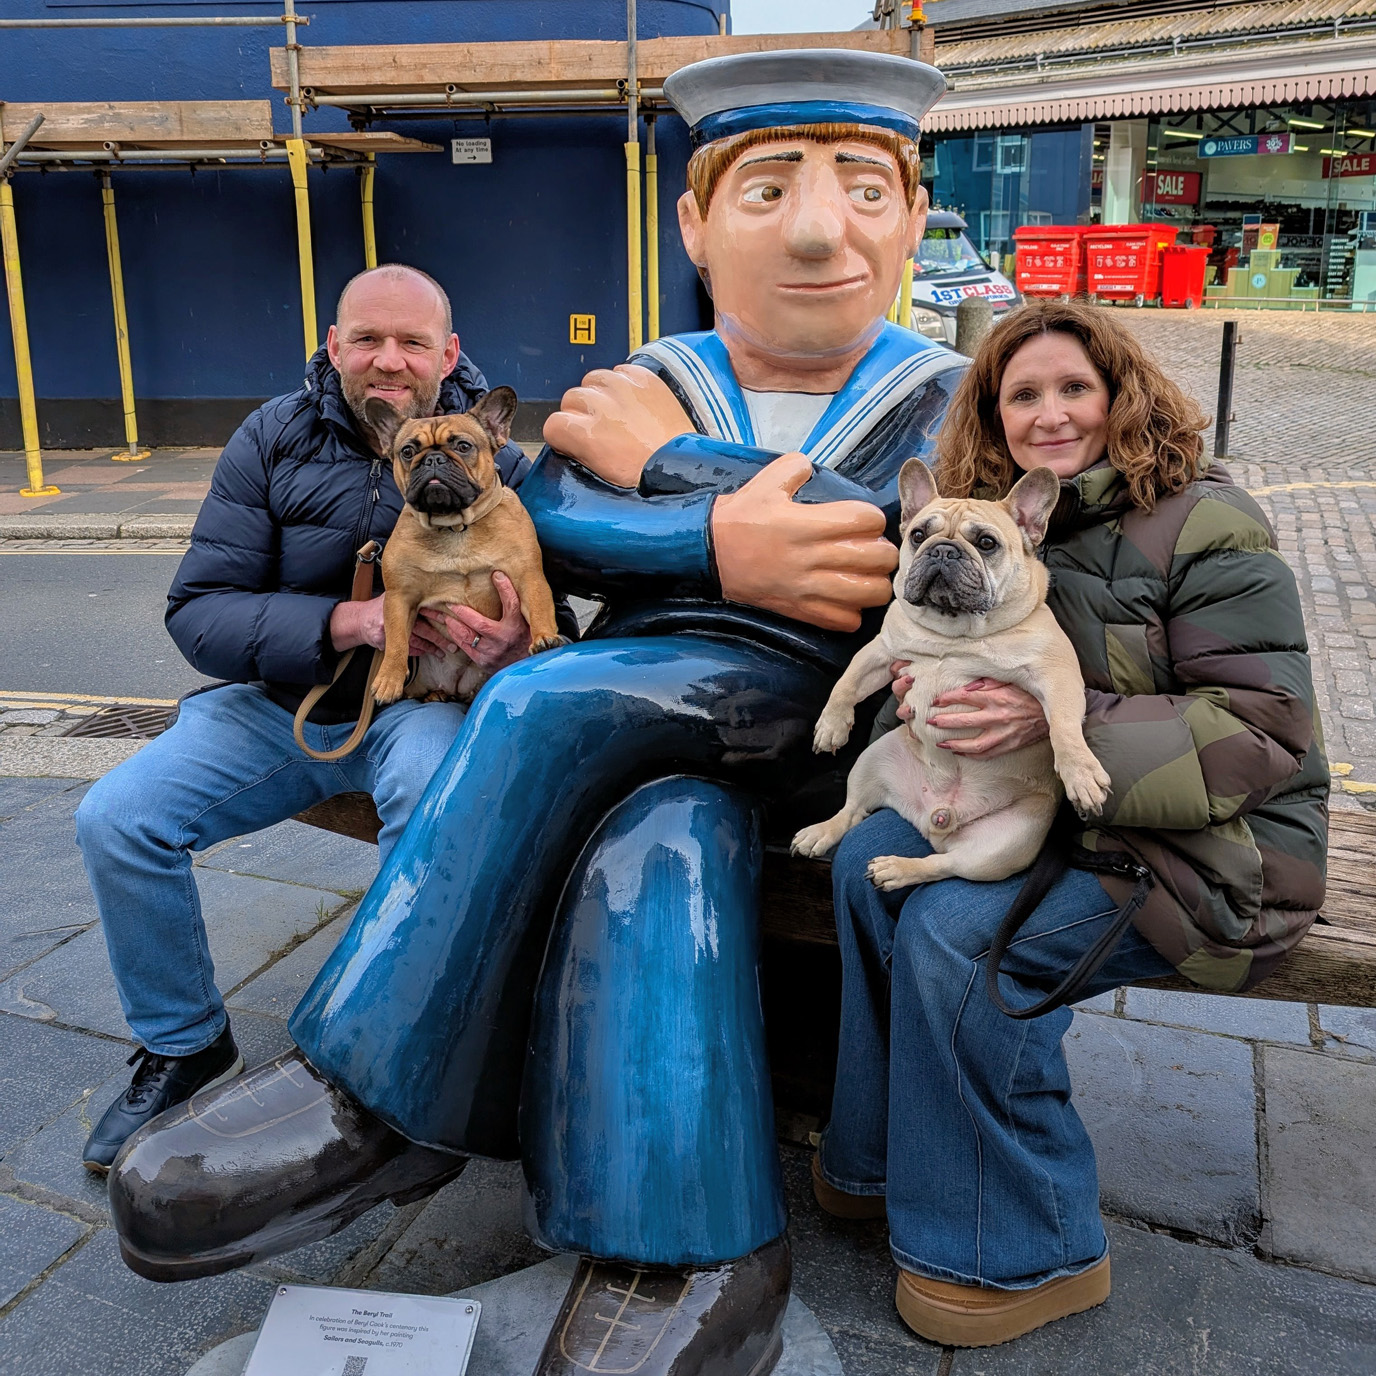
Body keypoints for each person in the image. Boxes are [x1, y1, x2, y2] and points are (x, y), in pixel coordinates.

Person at [109, 49, 967, 1376]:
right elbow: (554, 503)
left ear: (913, 218)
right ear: (695, 224)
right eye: (771, 190)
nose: (816, 228)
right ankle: (691, 1248)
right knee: (655, 847)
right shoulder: (654, 369)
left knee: (549, 698)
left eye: (863, 188)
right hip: (664, 729)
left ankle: (383, 1087)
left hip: (826, 724)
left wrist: (675, 482)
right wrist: (721, 542)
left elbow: (876, 542)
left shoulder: (939, 391)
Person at [815, 299, 1328, 1348]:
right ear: (994, 420)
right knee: (864, 858)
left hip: (1209, 846)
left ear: (1117, 392)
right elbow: (919, 663)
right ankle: (887, 1158)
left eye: (1072, 388)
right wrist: (912, 703)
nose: (1049, 413)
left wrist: (1066, 724)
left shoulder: (1203, 521)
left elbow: (1265, 730)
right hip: (1052, 811)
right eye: (1021, 395)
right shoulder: (989, 516)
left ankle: (1026, 1244)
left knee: (960, 942)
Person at [74, 264, 551, 1173]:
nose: (387, 359)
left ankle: (417, 1057)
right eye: (366, 338)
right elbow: (200, 610)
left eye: (412, 342)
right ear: (333, 345)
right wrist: (343, 621)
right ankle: (183, 1044)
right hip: (282, 705)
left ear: (447, 354)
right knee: (118, 817)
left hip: (423, 703)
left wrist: (510, 645)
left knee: (435, 808)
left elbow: (558, 603)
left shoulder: (495, 455)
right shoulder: (271, 437)